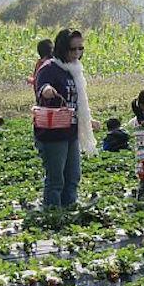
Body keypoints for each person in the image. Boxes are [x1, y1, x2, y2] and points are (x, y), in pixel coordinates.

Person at [35, 29, 99, 208]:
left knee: (73, 177)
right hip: (53, 133)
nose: (77, 54)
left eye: (81, 49)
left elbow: (77, 101)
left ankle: (69, 211)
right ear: (62, 48)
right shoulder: (49, 68)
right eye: (73, 49)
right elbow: (41, 86)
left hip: (71, 131)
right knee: (56, 180)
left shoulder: (74, 70)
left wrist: (88, 120)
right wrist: (46, 90)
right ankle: (53, 215)